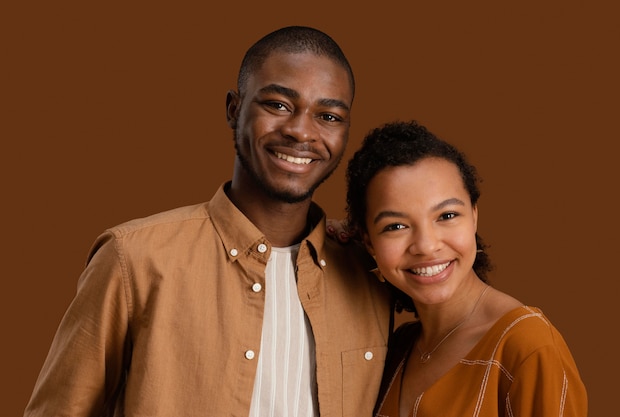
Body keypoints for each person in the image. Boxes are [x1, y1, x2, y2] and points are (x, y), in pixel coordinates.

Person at [24, 26, 392, 417]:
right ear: (234, 109)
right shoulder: (134, 259)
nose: (302, 131)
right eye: (279, 105)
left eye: (328, 115)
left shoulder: (371, 268)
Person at [342, 120, 587, 416]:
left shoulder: (527, 346)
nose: (427, 245)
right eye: (395, 226)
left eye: (446, 215)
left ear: (474, 216)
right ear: (369, 242)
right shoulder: (394, 349)